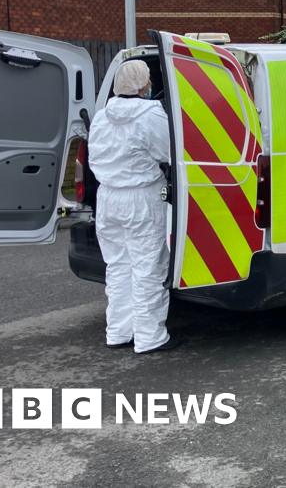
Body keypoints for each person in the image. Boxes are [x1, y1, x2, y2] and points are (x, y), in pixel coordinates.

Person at [88, 60, 180, 354]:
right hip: (140, 198)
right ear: (144, 85)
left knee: (117, 268)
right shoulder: (150, 114)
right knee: (148, 269)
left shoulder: (102, 116)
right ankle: (150, 337)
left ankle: (118, 332)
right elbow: (169, 152)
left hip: (108, 199)